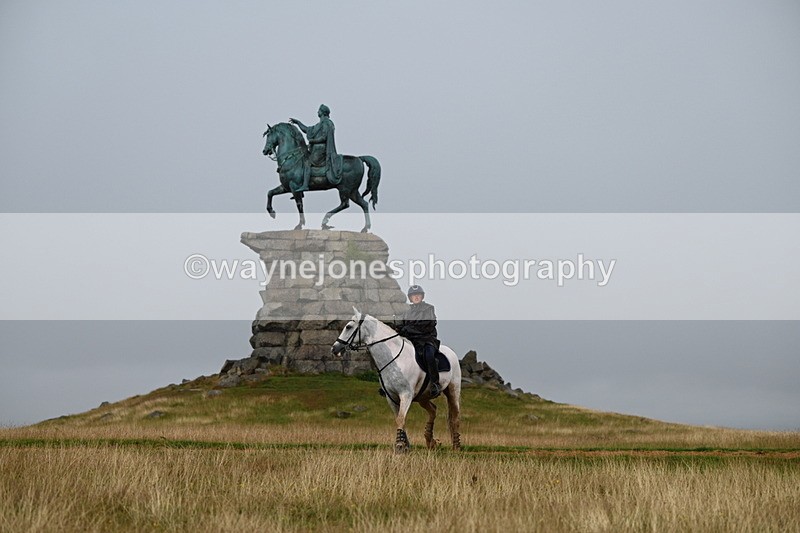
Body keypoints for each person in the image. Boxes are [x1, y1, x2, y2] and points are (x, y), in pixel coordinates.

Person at [397, 285, 442, 398]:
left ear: (422, 296)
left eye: (418, 295)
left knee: (429, 356)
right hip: (410, 341)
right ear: (410, 298)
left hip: (426, 340)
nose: (416, 297)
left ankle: (435, 383)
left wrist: (407, 329)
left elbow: (426, 325)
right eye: (413, 295)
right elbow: (401, 325)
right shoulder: (406, 311)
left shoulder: (429, 308)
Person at [289, 104, 343, 192]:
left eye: (319, 110)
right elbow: (307, 129)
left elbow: (324, 137)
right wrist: (298, 123)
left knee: (307, 162)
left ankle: (305, 185)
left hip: (321, 150)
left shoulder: (326, 123)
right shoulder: (319, 124)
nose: (317, 112)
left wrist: (313, 141)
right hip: (316, 149)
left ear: (323, 112)